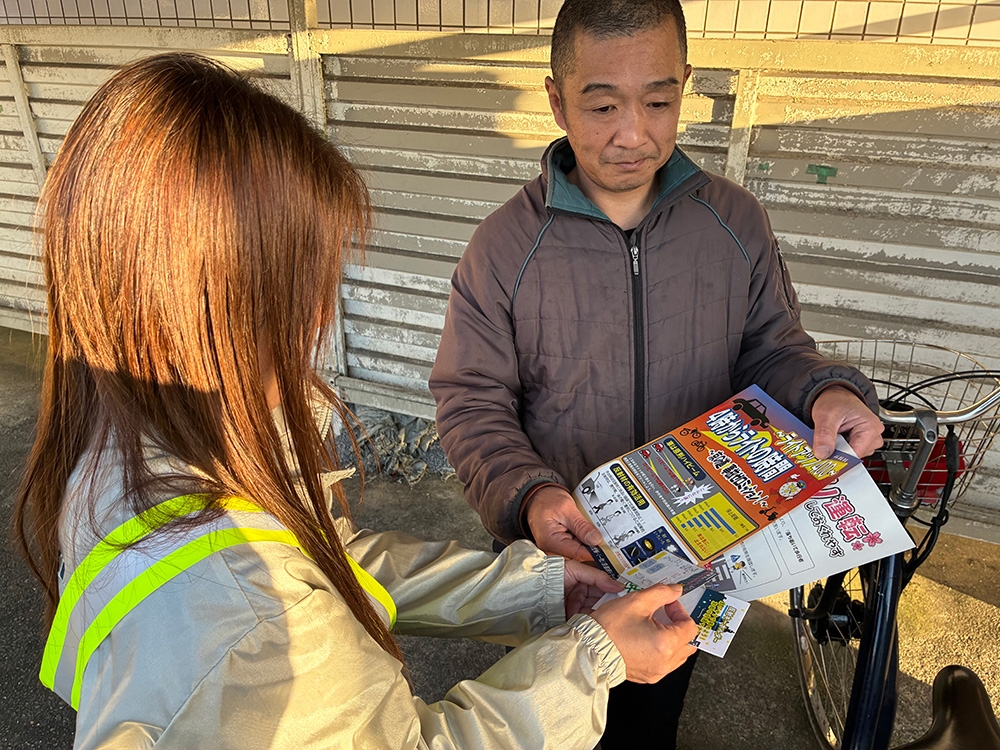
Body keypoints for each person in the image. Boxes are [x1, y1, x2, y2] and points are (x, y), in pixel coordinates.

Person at [12, 53, 702, 749]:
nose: (318, 316)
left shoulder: (135, 446)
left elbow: (321, 567)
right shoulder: (252, 623)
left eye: (658, 101)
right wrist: (592, 656)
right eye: (305, 279)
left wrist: (534, 592)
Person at [428, 0, 885, 747]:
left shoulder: (734, 223)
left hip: (695, 560)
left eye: (659, 101)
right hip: (562, 560)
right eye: (602, 105)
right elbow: (470, 401)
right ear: (556, 99)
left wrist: (823, 389)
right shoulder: (504, 248)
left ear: (686, 88)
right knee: (546, 720)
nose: (633, 134)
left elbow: (773, 348)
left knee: (650, 721)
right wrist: (529, 496)